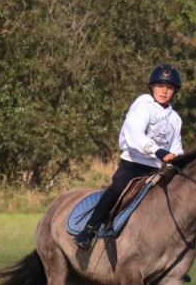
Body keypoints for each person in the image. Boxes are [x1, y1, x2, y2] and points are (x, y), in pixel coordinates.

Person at [75, 64, 185, 250]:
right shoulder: (142, 105)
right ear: (152, 87)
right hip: (133, 164)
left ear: (174, 91)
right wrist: (157, 151)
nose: (164, 91)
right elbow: (134, 134)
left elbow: (176, 148)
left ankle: (171, 252)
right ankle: (90, 229)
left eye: (169, 88)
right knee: (118, 187)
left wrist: (179, 160)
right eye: (160, 86)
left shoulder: (175, 119)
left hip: (157, 169)